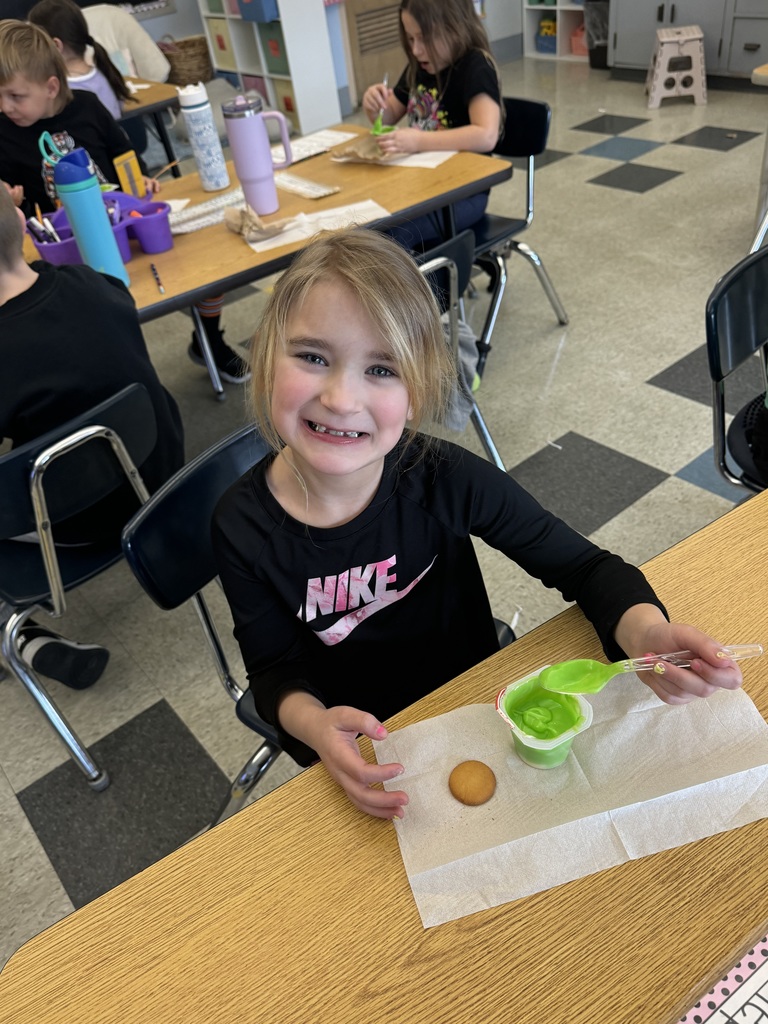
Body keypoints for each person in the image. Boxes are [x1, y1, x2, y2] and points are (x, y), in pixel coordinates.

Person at [211, 227, 744, 821]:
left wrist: (645, 635)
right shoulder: (240, 525)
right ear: (264, 360)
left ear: (416, 394)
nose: (340, 397)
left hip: (472, 705)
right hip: (358, 748)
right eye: (313, 357)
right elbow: (274, 668)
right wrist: (314, 727)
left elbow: (584, 566)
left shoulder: (444, 477)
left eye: (382, 369)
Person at [0, 177, 185, 688]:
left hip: (75, 526)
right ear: (23, 225)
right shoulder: (90, 283)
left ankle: (18, 638)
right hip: (161, 483)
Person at [0, 19, 250, 384]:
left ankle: (208, 338)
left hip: (121, 223)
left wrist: (140, 180)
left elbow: (123, 155)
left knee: (206, 263)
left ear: (51, 87)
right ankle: (106, 375)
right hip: (61, 249)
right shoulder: (4, 130)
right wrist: (10, 202)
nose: (4, 106)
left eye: (15, 96)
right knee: (83, 315)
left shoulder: (86, 107)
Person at [362, 0, 503, 251]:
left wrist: (419, 142)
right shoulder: (421, 67)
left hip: (463, 196)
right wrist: (373, 105)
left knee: (393, 236)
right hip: (422, 188)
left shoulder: (476, 66)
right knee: (366, 224)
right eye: (410, 38)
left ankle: (412, 288)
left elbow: (486, 134)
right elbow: (387, 118)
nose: (416, 50)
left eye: (424, 38)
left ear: (455, 29)